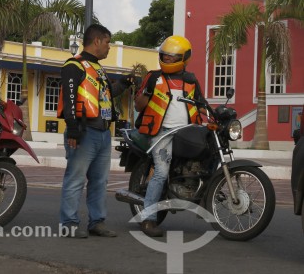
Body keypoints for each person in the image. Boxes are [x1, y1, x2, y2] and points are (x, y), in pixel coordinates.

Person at [57, 24, 133, 238]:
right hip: (83, 132)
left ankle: (97, 222)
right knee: (75, 179)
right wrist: (73, 130)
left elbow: (106, 95)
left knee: (100, 181)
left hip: (102, 133)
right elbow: (69, 98)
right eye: (108, 42)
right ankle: (69, 224)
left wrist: (125, 83)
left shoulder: (97, 68)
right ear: (97, 41)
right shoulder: (74, 65)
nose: (109, 47)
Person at [134, 35, 206, 237]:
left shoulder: (191, 80)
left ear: (184, 58)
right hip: (161, 133)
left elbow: (201, 105)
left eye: (172, 57)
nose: (166, 60)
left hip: (187, 133)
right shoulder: (154, 77)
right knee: (161, 172)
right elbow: (138, 106)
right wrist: (146, 93)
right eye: (164, 56)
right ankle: (148, 220)